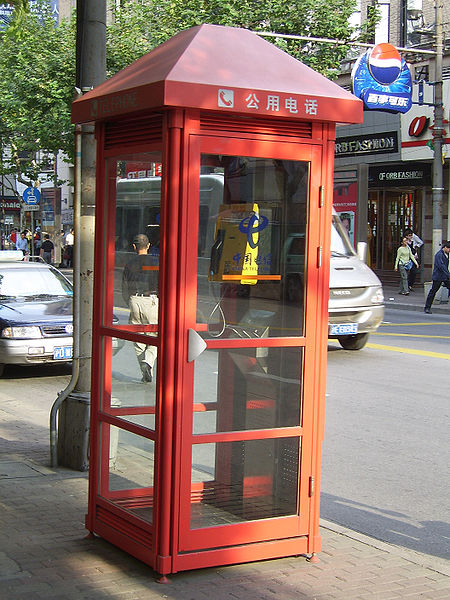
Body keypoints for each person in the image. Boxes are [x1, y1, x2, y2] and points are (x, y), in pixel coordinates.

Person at [122, 234, 159, 383]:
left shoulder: (129, 264)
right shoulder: (155, 262)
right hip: (151, 300)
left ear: (134, 247)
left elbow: (124, 287)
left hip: (134, 300)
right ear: (148, 246)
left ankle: (145, 372)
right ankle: (148, 362)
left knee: (138, 339)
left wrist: (130, 302)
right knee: (155, 336)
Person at [424, 241, 450, 314]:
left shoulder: (446, 254)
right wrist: (448, 274)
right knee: (433, 291)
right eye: (449, 249)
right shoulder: (439, 255)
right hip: (438, 276)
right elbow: (441, 266)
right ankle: (427, 307)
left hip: (444, 276)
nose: (449, 251)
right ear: (445, 247)